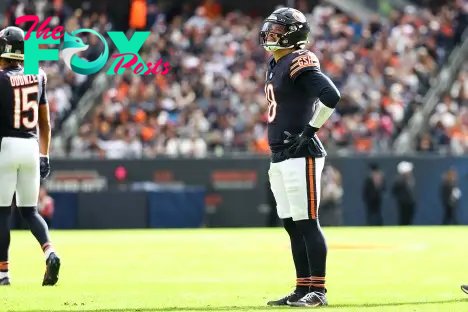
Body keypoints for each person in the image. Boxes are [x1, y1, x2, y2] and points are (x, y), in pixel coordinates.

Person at [260, 7, 340, 308]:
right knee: (292, 224)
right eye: (270, 29)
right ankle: (301, 287)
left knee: (307, 222)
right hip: (280, 154)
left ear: (294, 35)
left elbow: (331, 95)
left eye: (278, 31)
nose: (271, 35)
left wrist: (308, 132)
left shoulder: (297, 59)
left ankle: (318, 290)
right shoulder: (275, 62)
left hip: (301, 153)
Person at [0, 26, 60, 286]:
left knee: (1, 213)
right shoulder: (38, 75)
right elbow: (45, 122)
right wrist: (44, 155)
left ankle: (3, 274)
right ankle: (50, 252)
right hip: (32, 148)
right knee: (30, 211)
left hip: (5, 146)